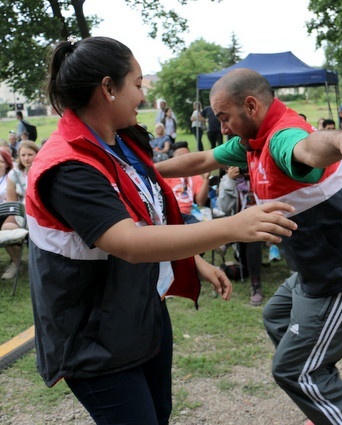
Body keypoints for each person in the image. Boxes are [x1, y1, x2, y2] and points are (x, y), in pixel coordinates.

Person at [28, 37, 297, 425]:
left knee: (159, 414)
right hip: (93, 337)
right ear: (107, 88)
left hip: (139, 312)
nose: (143, 94)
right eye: (137, 84)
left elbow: (148, 215)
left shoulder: (122, 142)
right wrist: (232, 226)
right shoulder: (68, 167)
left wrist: (194, 259)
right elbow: (129, 242)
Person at [155, 68, 342, 425]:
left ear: (251, 106)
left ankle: (336, 405)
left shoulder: (282, 137)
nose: (222, 127)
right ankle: (324, 402)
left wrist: (339, 142)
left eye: (225, 118)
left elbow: (308, 148)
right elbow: (202, 160)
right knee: (277, 317)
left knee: (294, 370)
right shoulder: (250, 142)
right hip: (313, 270)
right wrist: (143, 170)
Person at [216, 165, 266, 305]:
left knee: (253, 237)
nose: (243, 168)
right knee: (249, 235)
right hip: (241, 222)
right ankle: (249, 273)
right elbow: (223, 208)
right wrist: (231, 181)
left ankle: (255, 283)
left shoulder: (261, 173)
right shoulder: (228, 180)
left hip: (265, 218)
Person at [162, 141, 210, 224]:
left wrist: (206, 179)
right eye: (180, 156)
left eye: (187, 156)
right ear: (173, 159)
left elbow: (200, 202)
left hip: (189, 215)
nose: (184, 159)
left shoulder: (196, 177)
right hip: (170, 215)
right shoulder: (167, 177)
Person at [0, 148, 23, 280]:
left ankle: (16, 262)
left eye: (0, 161)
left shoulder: (11, 177)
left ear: (7, 163)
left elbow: (12, 201)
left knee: (6, 228)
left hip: (8, 212)